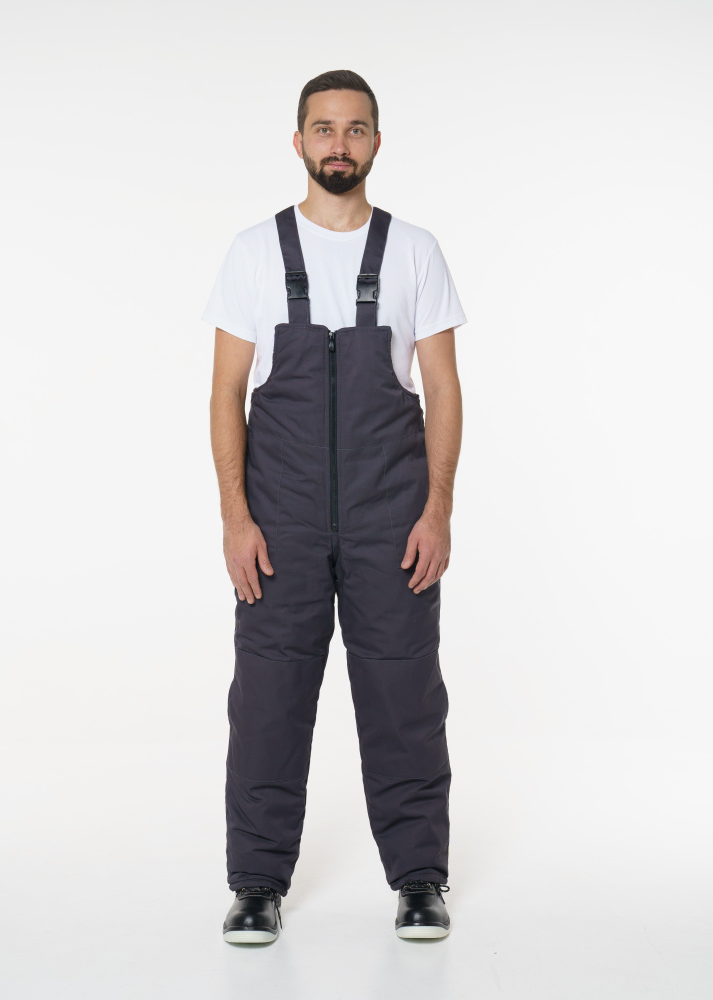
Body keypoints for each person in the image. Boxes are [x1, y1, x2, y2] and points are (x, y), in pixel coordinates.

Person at [202, 69, 467, 943]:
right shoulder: (254, 251)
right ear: (299, 142)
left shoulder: (415, 251)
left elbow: (442, 388)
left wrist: (437, 510)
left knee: (404, 696)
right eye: (324, 128)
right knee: (269, 699)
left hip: (394, 515)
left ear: (376, 143)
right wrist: (237, 519)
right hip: (280, 519)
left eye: (355, 129)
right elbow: (226, 394)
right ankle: (256, 884)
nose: (339, 144)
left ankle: (420, 878)